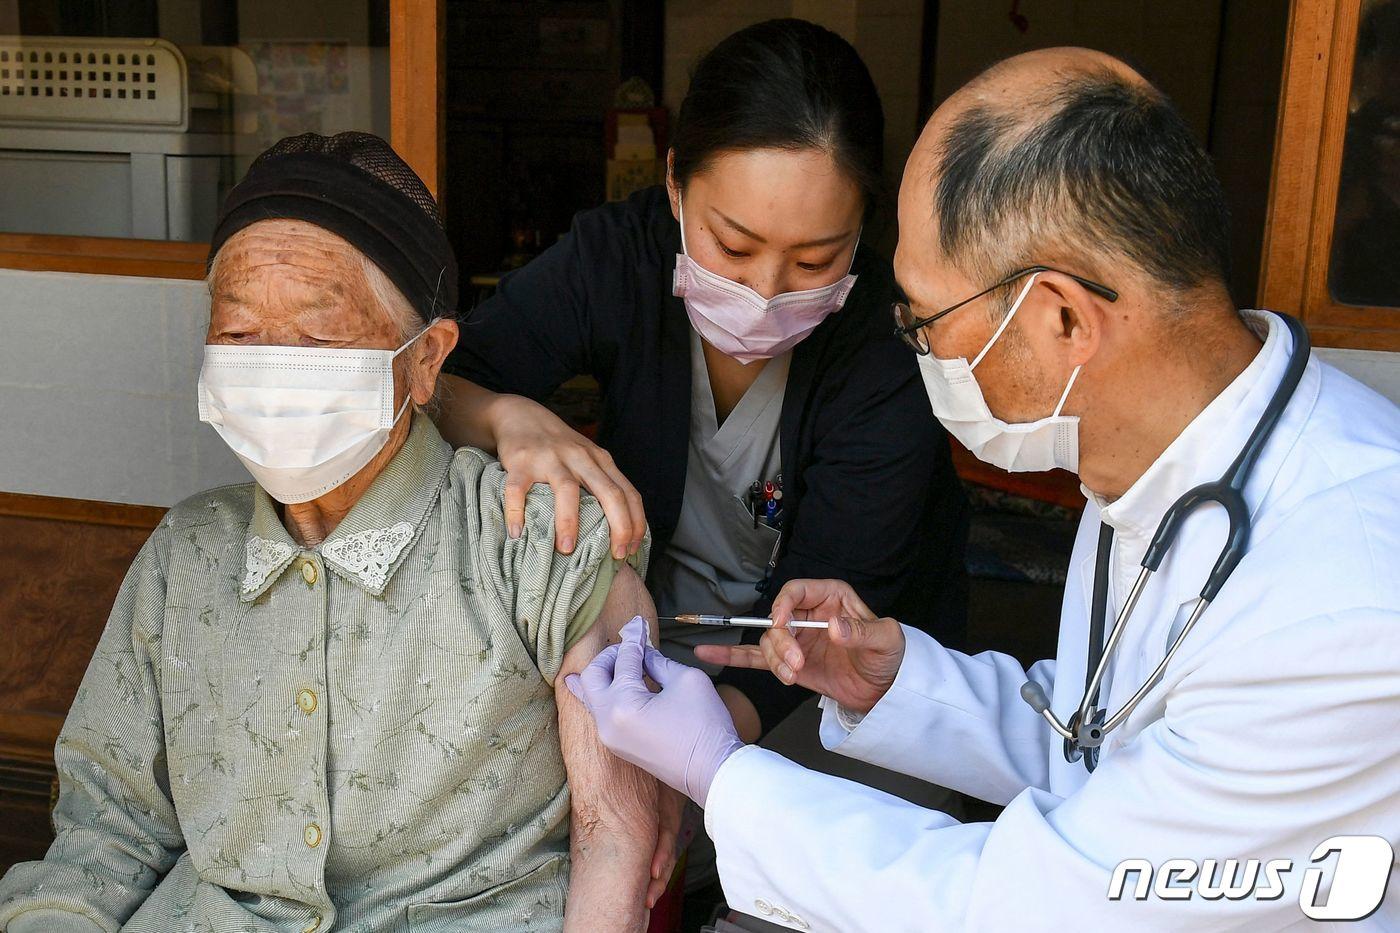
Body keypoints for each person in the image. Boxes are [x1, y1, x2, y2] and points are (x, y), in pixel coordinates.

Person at [568, 49, 1400, 930]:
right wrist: (895, 682)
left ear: (1062, 318)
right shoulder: (1160, 467)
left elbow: (1044, 904)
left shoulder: (1341, 605)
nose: (915, 351)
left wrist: (721, 773)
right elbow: (1104, 740)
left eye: (923, 320)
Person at [0, 133, 669, 933]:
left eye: (319, 339)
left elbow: (617, 837)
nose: (274, 368)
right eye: (241, 337)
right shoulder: (186, 555)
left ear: (426, 363)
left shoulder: (538, 541)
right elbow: (104, 830)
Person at [434, 18, 968, 743]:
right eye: (733, 244)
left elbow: (825, 617)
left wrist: (696, 761)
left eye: (815, 262)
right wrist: (503, 417)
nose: (766, 289)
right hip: (637, 647)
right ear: (675, 184)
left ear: (864, 227)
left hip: (823, 696)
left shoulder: (890, 348)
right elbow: (436, 381)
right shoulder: (621, 259)